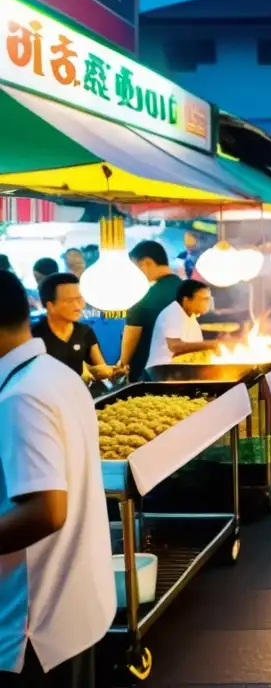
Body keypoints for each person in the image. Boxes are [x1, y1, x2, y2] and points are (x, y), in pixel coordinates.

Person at [0, 271, 116, 687]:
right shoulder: (52, 373)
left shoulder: (21, 396)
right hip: (71, 606)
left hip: (34, 625)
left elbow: (46, 511)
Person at [32, 273, 119, 383]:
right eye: (69, 301)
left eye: (79, 299)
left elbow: (101, 369)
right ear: (50, 306)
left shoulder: (84, 331)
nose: (78, 306)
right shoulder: (34, 338)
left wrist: (114, 371)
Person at [118, 241, 181, 382]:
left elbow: (131, 336)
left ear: (146, 263)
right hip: (184, 372)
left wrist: (122, 366)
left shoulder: (143, 297)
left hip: (148, 377)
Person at [146, 280, 214, 370]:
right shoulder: (172, 312)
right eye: (204, 299)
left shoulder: (192, 317)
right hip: (163, 372)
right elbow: (174, 346)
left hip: (183, 371)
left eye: (209, 299)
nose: (208, 303)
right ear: (186, 300)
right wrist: (212, 344)